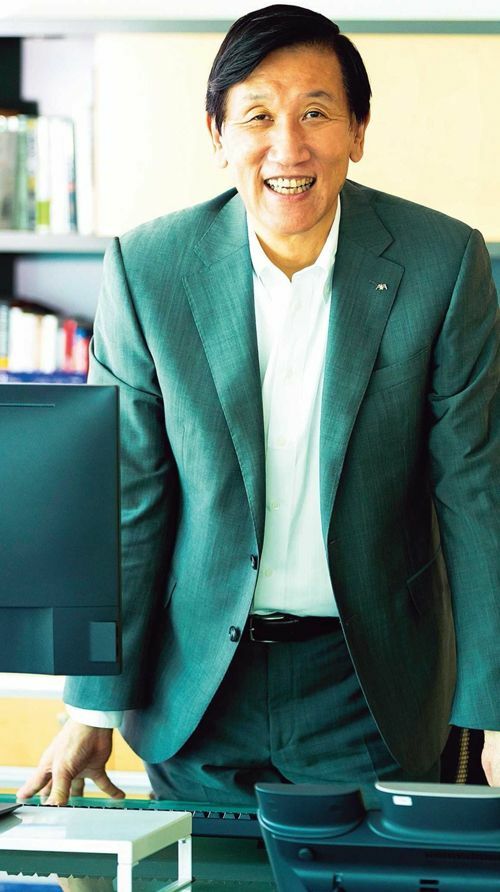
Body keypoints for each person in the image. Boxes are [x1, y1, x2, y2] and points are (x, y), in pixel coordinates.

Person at [18, 4, 499, 809]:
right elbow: (126, 501)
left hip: (368, 683)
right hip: (197, 685)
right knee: (198, 865)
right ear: (217, 135)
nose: (288, 147)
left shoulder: (442, 264)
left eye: (316, 113)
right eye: (258, 117)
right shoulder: (148, 270)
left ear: (358, 130)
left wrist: (494, 711)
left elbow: (476, 495)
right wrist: (91, 706)